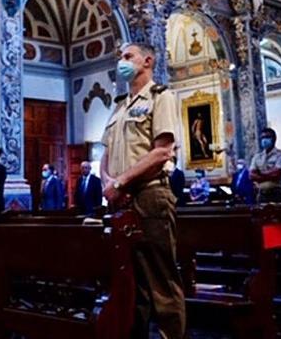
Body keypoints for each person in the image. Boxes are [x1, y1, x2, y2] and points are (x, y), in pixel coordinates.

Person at [100, 42, 185, 339]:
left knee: (162, 280)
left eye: (127, 57)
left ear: (147, 61)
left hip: (150, 195)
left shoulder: (162, 97)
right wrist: (108, 182)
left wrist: (121, 182)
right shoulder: (121, 105)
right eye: (119, 57)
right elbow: (106, 152)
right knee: (131, 283)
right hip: (120, 201)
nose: (121, 62)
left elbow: (162, 152)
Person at [250, 128, 281, 203]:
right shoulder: (257, 157)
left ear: (273, 139)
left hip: (276, 193)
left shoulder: (280, 155)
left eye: (267, 137)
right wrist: (269, 174)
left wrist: (260, 175)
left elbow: (277, 174)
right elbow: (251, 175)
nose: (264, 140)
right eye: (262, 138)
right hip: (261, 194)